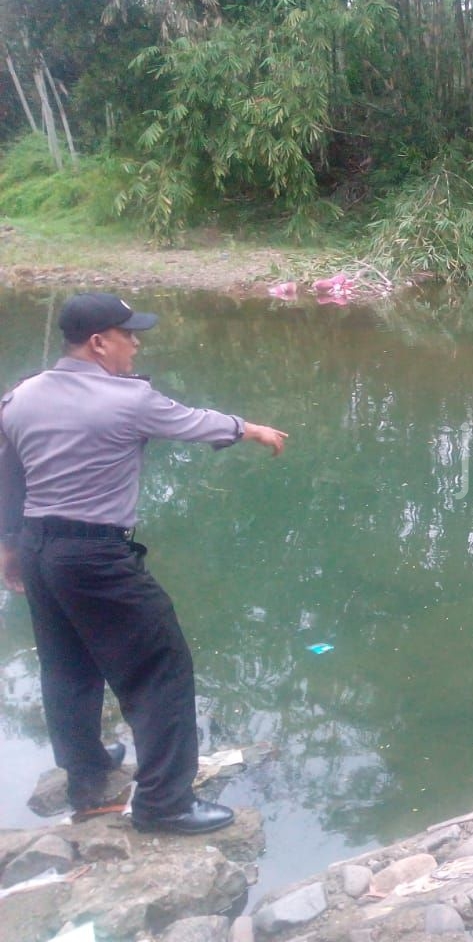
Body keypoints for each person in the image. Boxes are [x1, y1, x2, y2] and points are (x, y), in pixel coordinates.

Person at [0, 293, 288, 834]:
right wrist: (252, 429)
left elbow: (10, 475)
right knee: (161, 669)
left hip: (41, 551)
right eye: (128, 334)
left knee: (67, 666)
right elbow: (194, 422)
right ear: (98, 343)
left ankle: (86, 772)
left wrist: (9, 547)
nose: (135, 344)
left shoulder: (21, 397)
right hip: (94, 556)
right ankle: (165, 804)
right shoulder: (128, 400)